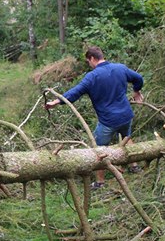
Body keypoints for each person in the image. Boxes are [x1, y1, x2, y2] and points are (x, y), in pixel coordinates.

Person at [44, 46, 144, 189]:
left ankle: (100, 182)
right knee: (127, 137)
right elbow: (138, 78)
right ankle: (134, 166)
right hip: (126, 115)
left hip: (108, 121)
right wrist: (136, 91)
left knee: (99, 150)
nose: (89, 65)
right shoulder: (120, 68)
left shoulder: (92, 76)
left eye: (88, 61)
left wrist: (56, 101)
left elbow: (75, 92)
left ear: (92, 58)